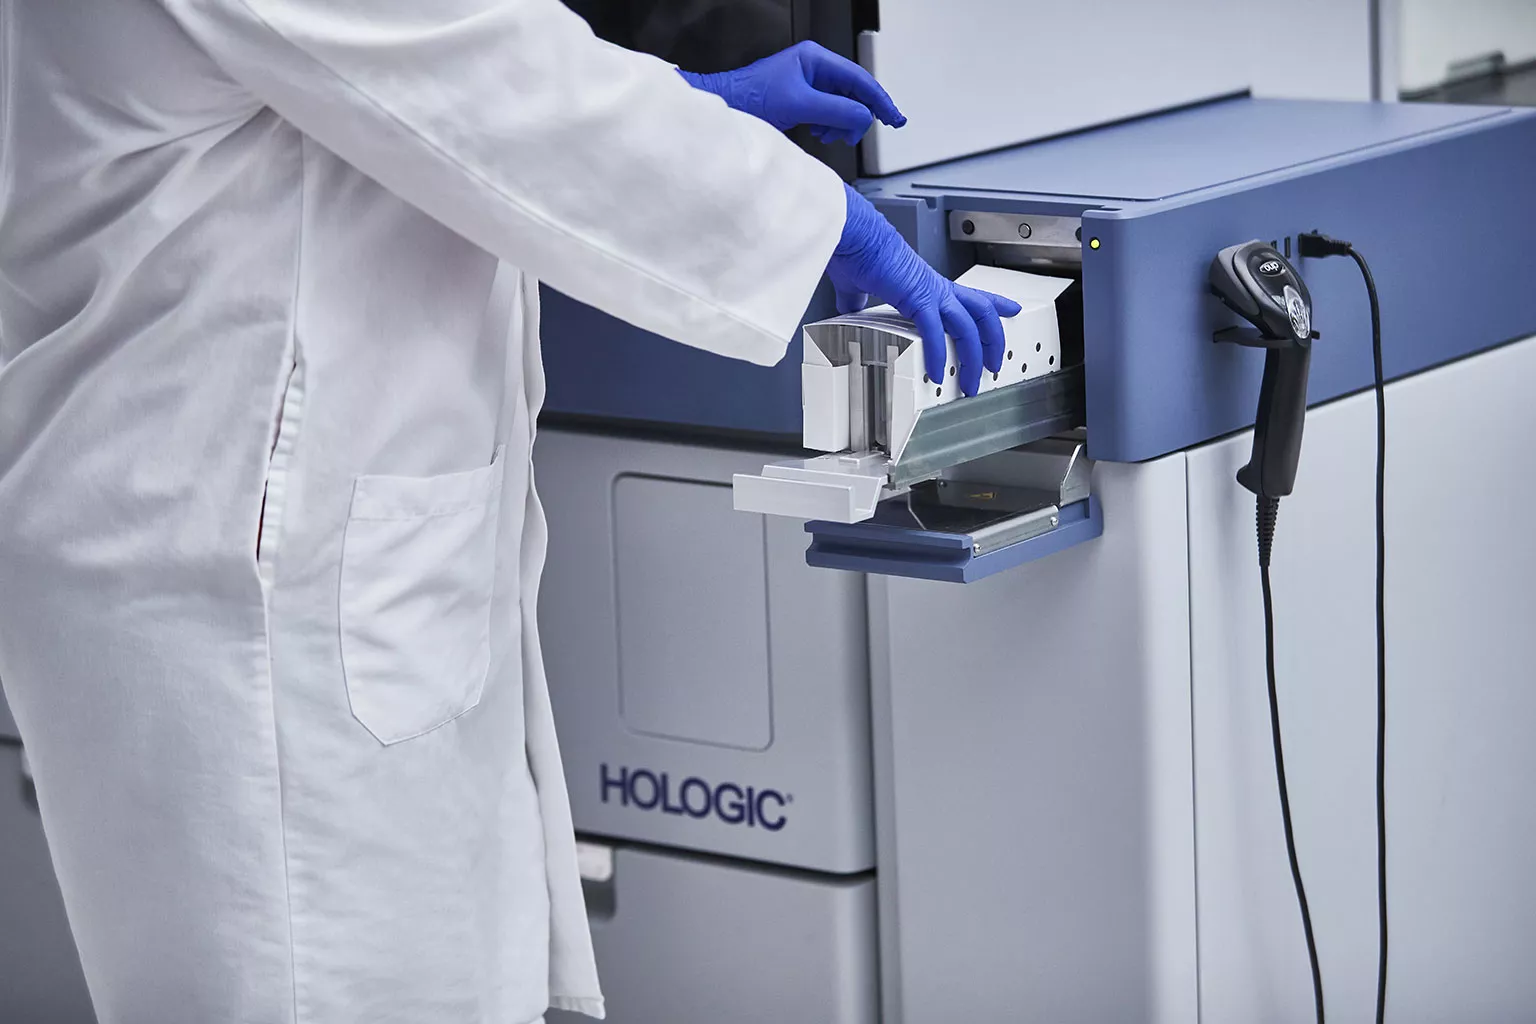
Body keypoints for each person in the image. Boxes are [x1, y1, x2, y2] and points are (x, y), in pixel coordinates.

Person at [0, 3, 1018, 1022]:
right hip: (247, 589)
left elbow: (389, 73)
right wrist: (817, 217)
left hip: (286, 541)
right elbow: (470, 61)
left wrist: (677, 105)